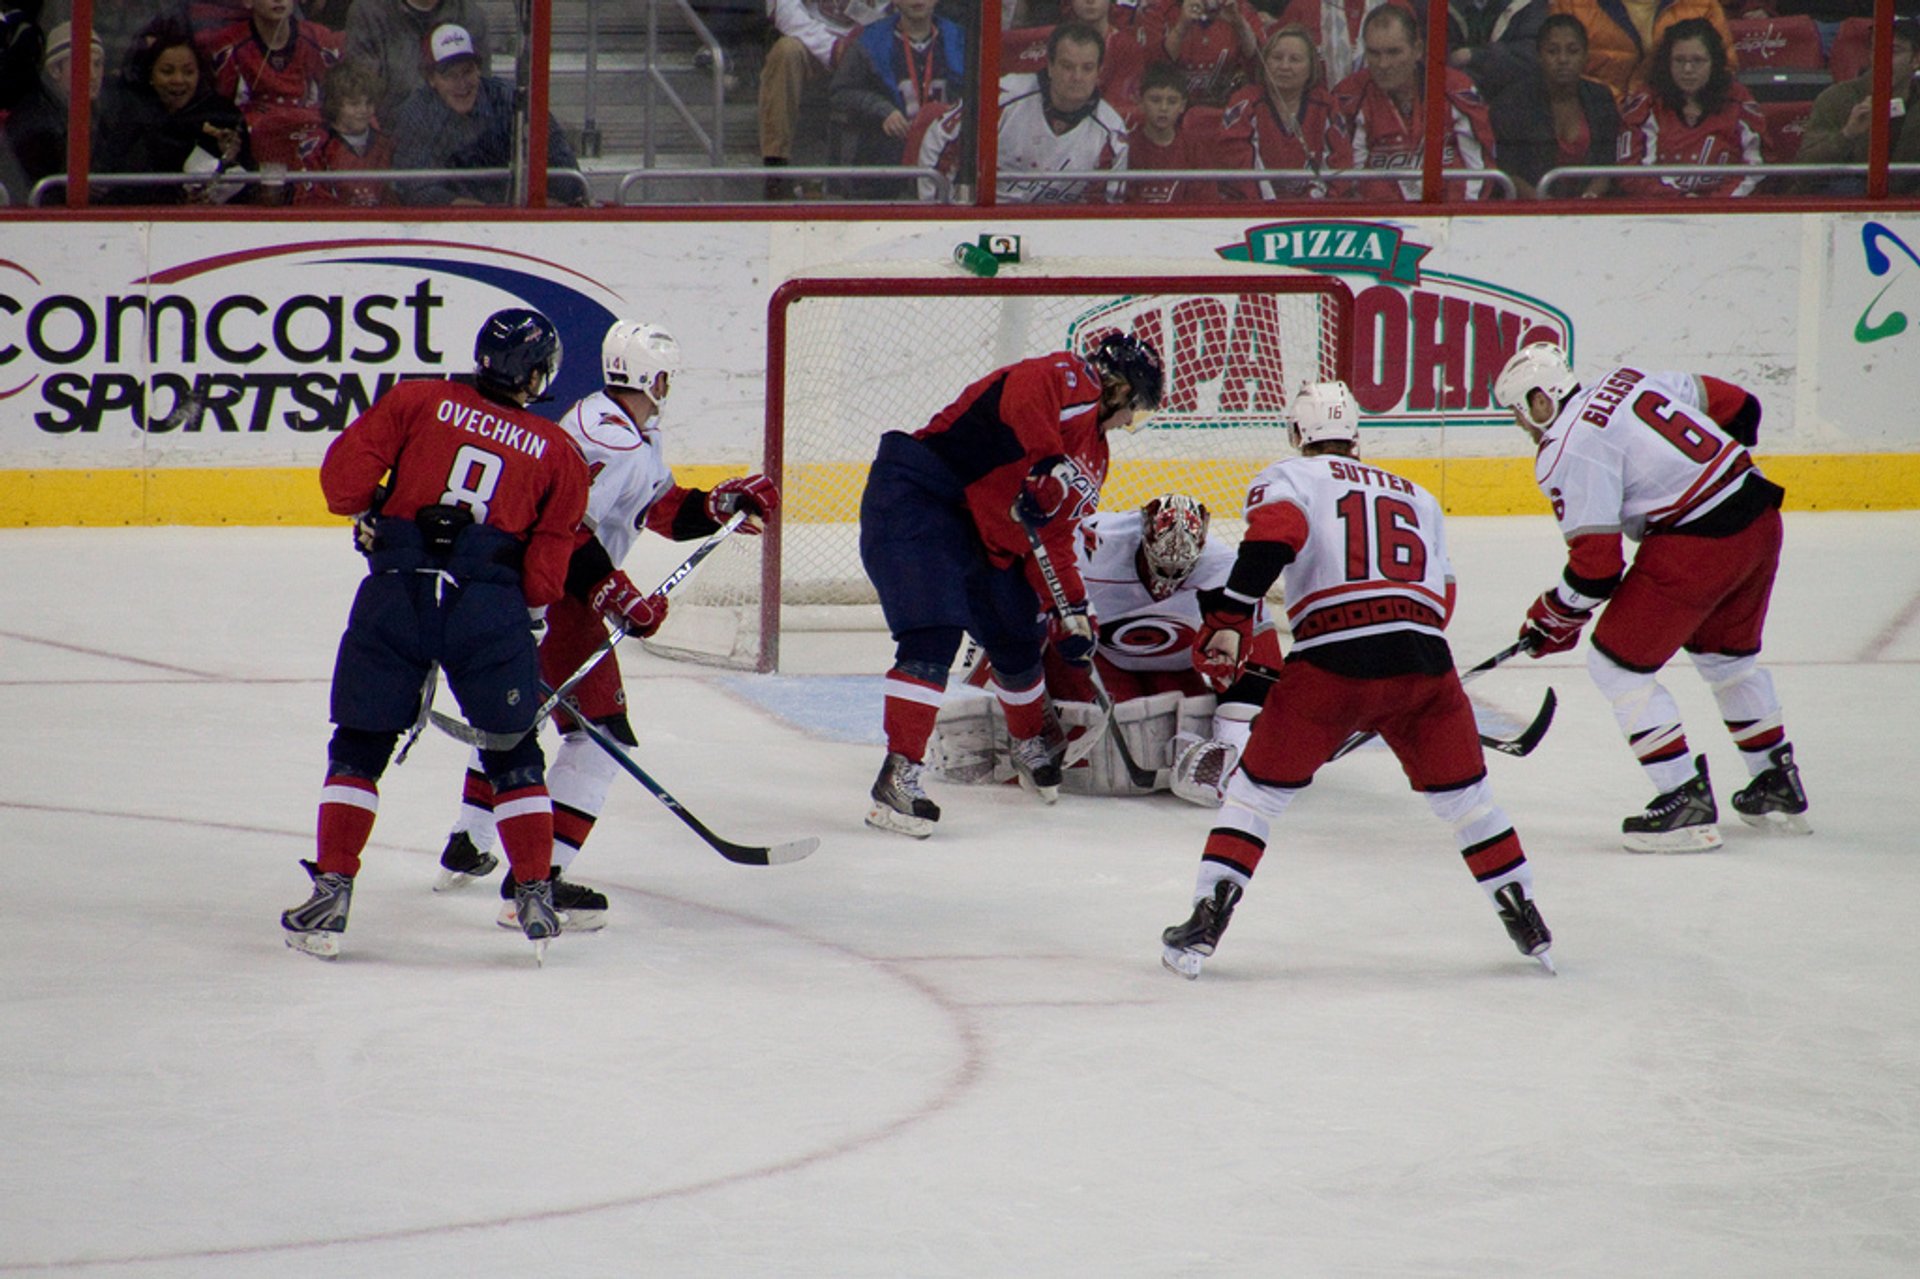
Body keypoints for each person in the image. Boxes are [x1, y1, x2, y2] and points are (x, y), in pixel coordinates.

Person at [1160, 381, 1552, 980]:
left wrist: (1230, 616)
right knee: (1470, 804)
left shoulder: (1291, 475)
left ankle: (1207, 919)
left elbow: (1274, 536)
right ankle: (1526, 917)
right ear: (1356, 438)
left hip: (1331, 665)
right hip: (1426, 666)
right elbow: (1440, 597)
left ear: (1297, 434)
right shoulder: (1419, 494)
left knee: (1256, 796)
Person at [433, 319, 781, 930]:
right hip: (559, 592)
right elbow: (565, 527)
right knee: (603, 734)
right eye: (665, 376)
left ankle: (470, 836)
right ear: (650, 376)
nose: (669, 386)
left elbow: (659, 510)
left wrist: (719, 505)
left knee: (522, 718)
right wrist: (611, 590)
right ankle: (537, 883)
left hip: (537, 587)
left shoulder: (622, 428)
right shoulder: (609, 439)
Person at [279, 308, 590, 962]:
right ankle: (533, 892)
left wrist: (379, 516)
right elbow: (542, 580)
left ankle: (332, 891)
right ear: (536, 375)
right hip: (489, 610)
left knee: (360, 745)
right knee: (513, 753)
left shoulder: (419, 398)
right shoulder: (559, 450)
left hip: (398, 592)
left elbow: (341, 486)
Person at [1490, 341, 1810, 854]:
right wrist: (1703, 471)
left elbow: (1597, 572)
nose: (1521, 424)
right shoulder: (1628, 380)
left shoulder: (1567, 447)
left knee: (1616, 665)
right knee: (1726, 661)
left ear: (1540, 398)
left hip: (1700, 543)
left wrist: (1554, 615)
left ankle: (1684, 802)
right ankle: (1775, 781)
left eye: (1520, 410)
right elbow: (1740, 405)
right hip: (1758, 515)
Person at [858, 333, 1165, 837]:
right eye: (1137, 407)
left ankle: (1029, 744)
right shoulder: (1072, 378)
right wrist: (1045, 461)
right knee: (934, 634)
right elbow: (1026, 388)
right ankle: (898, 777)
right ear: (1118, 388)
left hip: (987, 537)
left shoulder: (1098, 455)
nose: (1132, 421)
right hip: (926, 496)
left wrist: (1072, 610)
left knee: (1020, 636)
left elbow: (1057, 537)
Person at [935, 492, 1281, 805]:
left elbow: (1261, 644)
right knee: (1110, 723)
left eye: (1181, 572)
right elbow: (1018, 590)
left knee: (1178, 715)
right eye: (1160, 567)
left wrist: (1238, 696)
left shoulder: (1222, 566)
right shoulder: (1094, 545)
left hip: (1173, 663)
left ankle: (1228, 752)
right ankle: (1023, 727)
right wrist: (987, 662)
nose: (1166, 583)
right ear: (1142, 537)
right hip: (1100, 657)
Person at [389, 23, 582, 206]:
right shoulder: (418, 112)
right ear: (431, 79)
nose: (462, 84)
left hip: (517, 223)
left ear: (479, 70)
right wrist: (480, 211)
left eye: (467, 72)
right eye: (450, 75)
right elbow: (413, 187)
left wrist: (538, 202)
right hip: (448, 228)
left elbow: (564, 169)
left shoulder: (510, 100)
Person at [1334, 3, 1498, 200]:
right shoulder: (1349, 95)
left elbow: (1480, 169)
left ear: (1418, 49)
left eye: (1394, 52)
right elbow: (1345, 178)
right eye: (1374, 53)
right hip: (1378, 221)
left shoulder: (1454, 88)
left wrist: (1460, 218)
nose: (1383, 64)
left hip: (1451, 218)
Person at [94, 16, 255, 204]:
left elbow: (245, 188)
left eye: (188, 72)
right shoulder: (129, 117)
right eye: (167, 71)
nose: (178, 80)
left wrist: (230, 158)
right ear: (150, 74)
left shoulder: (221, 115)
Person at [826, 0, 966, 198]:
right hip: (885, 161)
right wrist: (882, 110)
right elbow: (840, 93)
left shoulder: (962, 41)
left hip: (947, 156)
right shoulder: (869, 41)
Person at [1616, 17, 1766, 198]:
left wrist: (1716, 204)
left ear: (1714, 62)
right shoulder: (1647, 102)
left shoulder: (1738, 100)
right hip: (1659, 213)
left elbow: (1756, 168)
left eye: (1698, 60)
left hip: (1727, 212)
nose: (1687, 69)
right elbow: (1632, 173)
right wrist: (1680, 199)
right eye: (1679, 60)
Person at [200, 0, 344, 177]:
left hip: (312, 139)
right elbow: (222, 107)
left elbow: (339, 99)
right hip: (253, 145)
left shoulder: (320, 39)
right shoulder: (227, 44)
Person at [759, 0, 888, 197]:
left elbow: (890, 12)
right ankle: (776, 169)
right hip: (812, 38)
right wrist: (830, 47)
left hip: (865, 42)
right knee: (785, 51)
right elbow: (785, 11)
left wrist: (861, 45)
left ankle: (892, 168)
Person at [996, 20, 1131, 203]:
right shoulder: (1002, 98)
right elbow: (947, 155)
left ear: (1099, 72)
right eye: (1068, 66)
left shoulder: (1112, 133)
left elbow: (1105, 213)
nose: (1077, 77)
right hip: (993, 223)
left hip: (1064, 228)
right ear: (1050, 67)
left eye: (1087, 68)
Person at [1489, 11, 1621, 197]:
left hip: (1590, 210)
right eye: (1552, 51)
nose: (1563, 60)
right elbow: (1507, 172)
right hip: (1529, 211)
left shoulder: (1601, 98)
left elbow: (1608, 165)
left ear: (1585, 55)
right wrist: (1545, 205)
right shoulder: (1512, 102)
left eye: (1572, 51)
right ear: (1539, 55)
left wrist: (1589, 199)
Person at [1218, 21, 1355, 198]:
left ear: (1311, 67)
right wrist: (1271, 205)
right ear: (1265, 62)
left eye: (1295, 59)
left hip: (1314, 212)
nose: (1284, 66)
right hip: (1252, 209)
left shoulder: (1327, 106)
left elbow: (1340, 163)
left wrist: (1312, 200)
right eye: (1276, 58)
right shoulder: (1244, 103)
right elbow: (1237, 163)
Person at [1794, 16, 1920, 195]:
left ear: (1916, 59)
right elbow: (1805, 172)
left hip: (1907, 205)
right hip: (1848, 201)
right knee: (1848, 187)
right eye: (1877, 50)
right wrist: (1848, 134)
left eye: (1894, 51)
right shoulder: (1836, 98)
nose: (1882, 59)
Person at [1549, 0, 1735, 103]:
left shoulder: (1702, 5)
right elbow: (1555, 69)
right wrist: (1619, 104)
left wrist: (1658, 107)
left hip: (1674, 119)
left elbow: (1723, 69)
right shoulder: (1571, 4)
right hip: (1594, 116)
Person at [0, 20, 102, 204]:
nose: (93, 75)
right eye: (83, 64)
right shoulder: (35, 127)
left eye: (98, 64)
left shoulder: (102, 115)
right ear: (55, 70)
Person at [343, 0, 491, 125]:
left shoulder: (470, 15)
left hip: (457, 145)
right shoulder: (367, 13)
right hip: (390, 147)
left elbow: (482, 95)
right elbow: (362, 96)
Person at [295, 56, 393, 204]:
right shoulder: (315, 148)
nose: (364, 110)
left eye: (369, 103)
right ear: (335, 104)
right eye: (354, 104)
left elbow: (396, 196)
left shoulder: (386, 145)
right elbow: (310, 202)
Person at [1125, 60, 1225, 201]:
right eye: (1155, 100)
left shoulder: (1194, 150)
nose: (1164, 108)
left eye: (1172, 101)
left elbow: (1206, 205)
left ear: (1182, 106)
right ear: (1141, 102)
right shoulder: (1126, 147)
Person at [1147, 0, 1266, 106]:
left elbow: (1260, 67)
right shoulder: (1159, 9)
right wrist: (1182, 26)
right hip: (1170, 111)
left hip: (1222, 109)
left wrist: (1239, 24)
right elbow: (1154, 69)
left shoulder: (1240, 9)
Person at [1445, 0, 1547, 105]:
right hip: (1455, 104)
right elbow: (1438, 61)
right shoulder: (1438, 6)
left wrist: (1473, 56)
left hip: (1512, 105)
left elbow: (1530, 58)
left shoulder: (1529, 5)